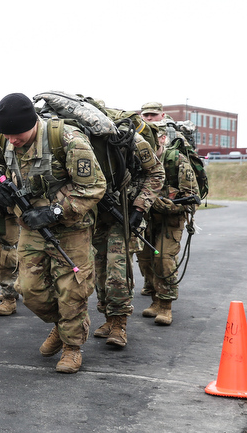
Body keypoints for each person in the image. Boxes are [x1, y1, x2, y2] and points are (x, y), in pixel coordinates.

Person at [0, 93, 105, 373]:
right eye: (7, 135)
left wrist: (54, 212)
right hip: (29, 227)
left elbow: (94, 187)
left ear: (33, 124)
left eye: (18, 134)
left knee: (72, 291)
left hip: (71, 228)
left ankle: (71, 348)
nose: (12, 141)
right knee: (29, 290)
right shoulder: (2, 139)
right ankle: (62, 325)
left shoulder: (67, 140)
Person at [91, 124, 164, 347]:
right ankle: (108, 317)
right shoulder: (76, 140)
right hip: (94, 216)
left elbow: (156, 173)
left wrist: (139, 209)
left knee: (117, 269)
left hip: (124, 213)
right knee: (99, 269)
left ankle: (119, 323)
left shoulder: (127, 139)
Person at [137, 103, 200, 326]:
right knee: (145, 259)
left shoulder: (177, 161)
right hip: (146, 220)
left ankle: (165, 305)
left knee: (163, 258)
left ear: (162, 140)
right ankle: (154, 299)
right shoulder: (139, 163)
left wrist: (167, 206)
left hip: (170, 221)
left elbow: (193, 199)